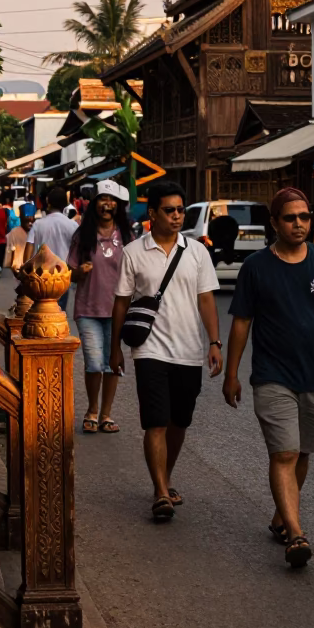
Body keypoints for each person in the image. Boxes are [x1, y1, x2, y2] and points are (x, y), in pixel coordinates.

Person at [221, 187, 314, 568]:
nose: (298, 223)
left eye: (304, 216)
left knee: (302, 452)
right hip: (272, 376)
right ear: (274, 223)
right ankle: (296, 534)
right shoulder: (256, 268)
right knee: (283, 452)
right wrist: (232, 374)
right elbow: (241, 324)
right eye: (289, 218)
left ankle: (282, 515)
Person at [110, 180, 222, 522]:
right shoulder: (133, 252)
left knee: (179, 421)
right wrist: (115, 347)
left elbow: (206, 299)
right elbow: (121, 302)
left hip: (189, 350)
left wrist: (215, 342)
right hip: (149, 350)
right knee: (155, 422)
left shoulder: (197, 251)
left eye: (180, 210)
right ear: (153, 213)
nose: (176, 216)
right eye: (169, 210)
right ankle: (160, 492)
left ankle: (166, 476)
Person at [68, 180, 131, 435]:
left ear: (118, 205)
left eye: (112, 200)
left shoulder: (127, 236)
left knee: (112, 364)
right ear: (94, 204)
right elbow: (68, 272)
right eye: (103, 199)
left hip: (118, 309)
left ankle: (106, 413)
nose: (108, 204)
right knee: (94, 363)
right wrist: (78, 272)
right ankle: (92, 410)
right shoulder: (81, 235)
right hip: (88, 308)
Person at [23, 185, 79, 311]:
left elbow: (28, 249)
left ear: (48, 202)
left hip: (40, 276)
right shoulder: (72, 225)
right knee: (59, 312)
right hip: (62, 276)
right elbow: (79, 251)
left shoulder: (38, 224)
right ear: (65, 205)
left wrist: (25, 272)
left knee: (41, 312)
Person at [4, 206, 35, 275]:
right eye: (27, 221)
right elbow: (10, 253)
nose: (30, 223)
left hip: (34, 269)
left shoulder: (37, 231)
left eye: (31, 221)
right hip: (19, 269)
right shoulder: (13, 233)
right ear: (21, 219)